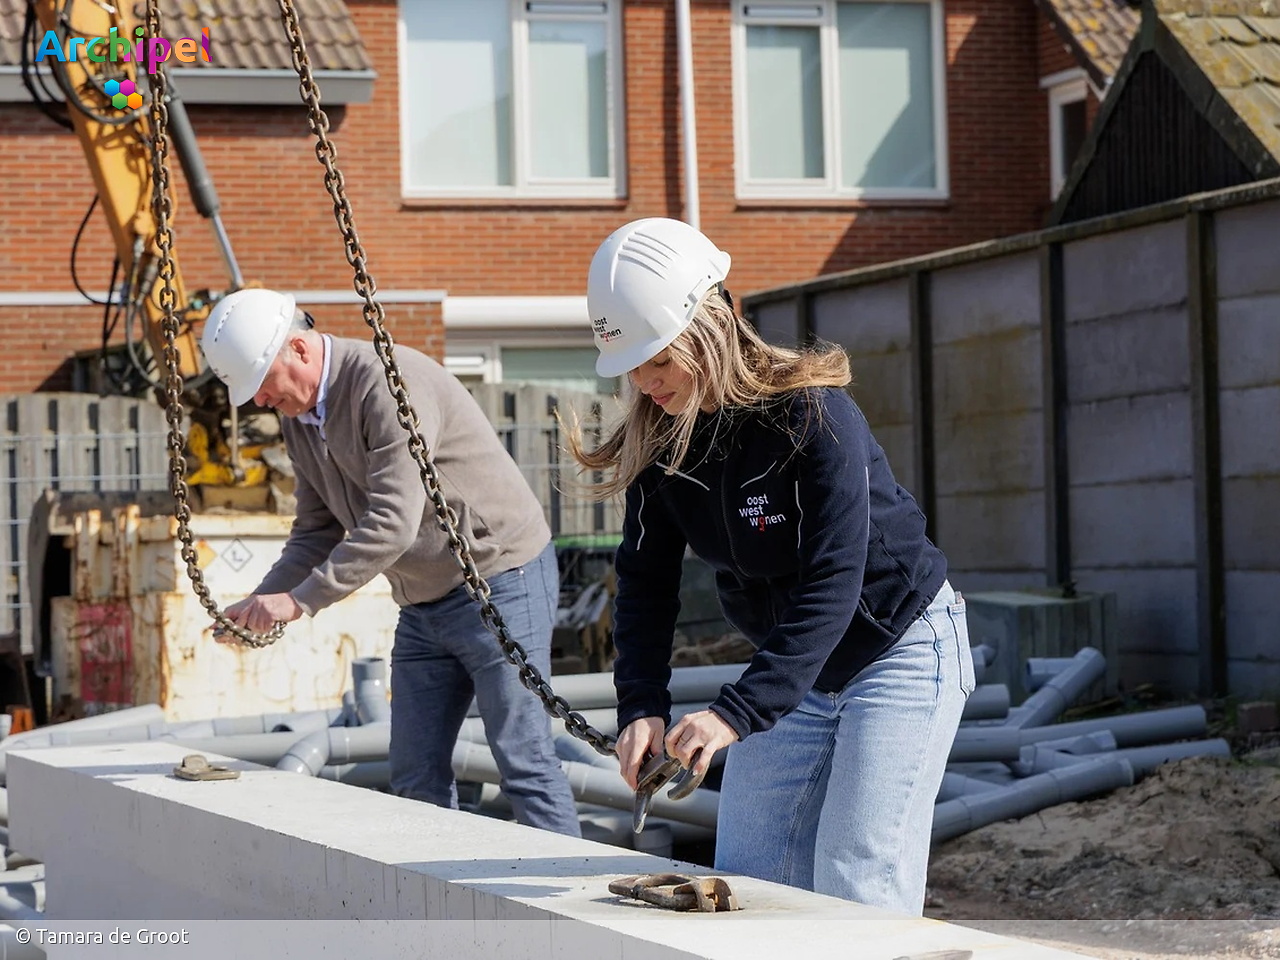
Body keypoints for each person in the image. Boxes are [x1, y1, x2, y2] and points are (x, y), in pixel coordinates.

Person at [569, 218, 975, 913]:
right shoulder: (661, 445)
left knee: (855, 874)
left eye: (658, 358)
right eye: (630, 365)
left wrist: (736, 713)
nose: (644, 380)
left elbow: (834, 582)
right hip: (793, 663)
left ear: (710, 326)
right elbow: (644, 583)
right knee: (748, 874)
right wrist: (641, 704)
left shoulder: (814, 415)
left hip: (897, 648)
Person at [200, 288, 581, 837]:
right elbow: (315, 530)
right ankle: (437, 885)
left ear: (300, 350)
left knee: (524, 760)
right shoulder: (299, 417)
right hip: (424, 601)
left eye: (263, 384)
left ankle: (570, 886)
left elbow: (393, 521)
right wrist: (264, 600)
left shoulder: (384, 383)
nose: (261, 401)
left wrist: (300, 601)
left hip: (499, 578)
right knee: (414, 774)